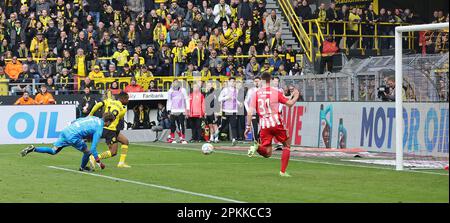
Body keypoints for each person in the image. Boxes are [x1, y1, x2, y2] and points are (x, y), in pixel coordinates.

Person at [246, 72, 300, 177]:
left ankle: (257, 147)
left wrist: (248, 126)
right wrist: (296, 96)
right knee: (287, 145)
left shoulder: (256, 94)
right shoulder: (275, 92)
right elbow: (289, 104)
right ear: (270, 81)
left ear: (261, 81)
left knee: (268, 153)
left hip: (264, 125)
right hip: (276, 122)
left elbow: (250, 112)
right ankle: (282, 172)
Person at [20, 113, 116, 172]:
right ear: (108, 122)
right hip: (73, 136)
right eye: (110, 123)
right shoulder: (99, 129)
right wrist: (99, 163)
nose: (110, 125)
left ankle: (34, 148)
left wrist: (71, 125)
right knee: (87, 152)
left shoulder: (93, 117)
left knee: (54, 151)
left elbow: (79, 119)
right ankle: (82, 168)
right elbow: (93, 148)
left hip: (66, 130)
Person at [88, 91, 131, 168]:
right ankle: (94, 157)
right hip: (110, 129)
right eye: (127, 99)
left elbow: (98, 104)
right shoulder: (123, 108)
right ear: (123, 99)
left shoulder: (109, 101)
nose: (128, 101)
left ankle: (121, 163)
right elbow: (120, 117)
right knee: (113, 152)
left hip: (107, 127)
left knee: (125, 141)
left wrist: (90, 114)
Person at [218, 77, 240, 146]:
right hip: (225, 110)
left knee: (233, 125)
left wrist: (239, 103)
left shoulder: (236, 90)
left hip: (233, 110)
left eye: (234, 82)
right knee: (223, 125)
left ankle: (234, 139)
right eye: (231, 81)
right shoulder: (225, 90)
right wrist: (227, 97)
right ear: (229, 82)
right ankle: (216, 136)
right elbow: (219, 99)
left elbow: (236, 99)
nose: (233, 83)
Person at [166, 79, 190, 143]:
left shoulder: (183, 90)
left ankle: (183, 138)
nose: (175, 84)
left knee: (182, 125)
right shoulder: (170, 91)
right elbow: (169, 101)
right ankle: (173, 138)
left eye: (176, 82)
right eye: (174, 82)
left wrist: (187, 109)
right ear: (173, 83)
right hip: (173, 110)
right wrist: (168, 110)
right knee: (173, 125)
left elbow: (186, 99)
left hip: (181, 110)